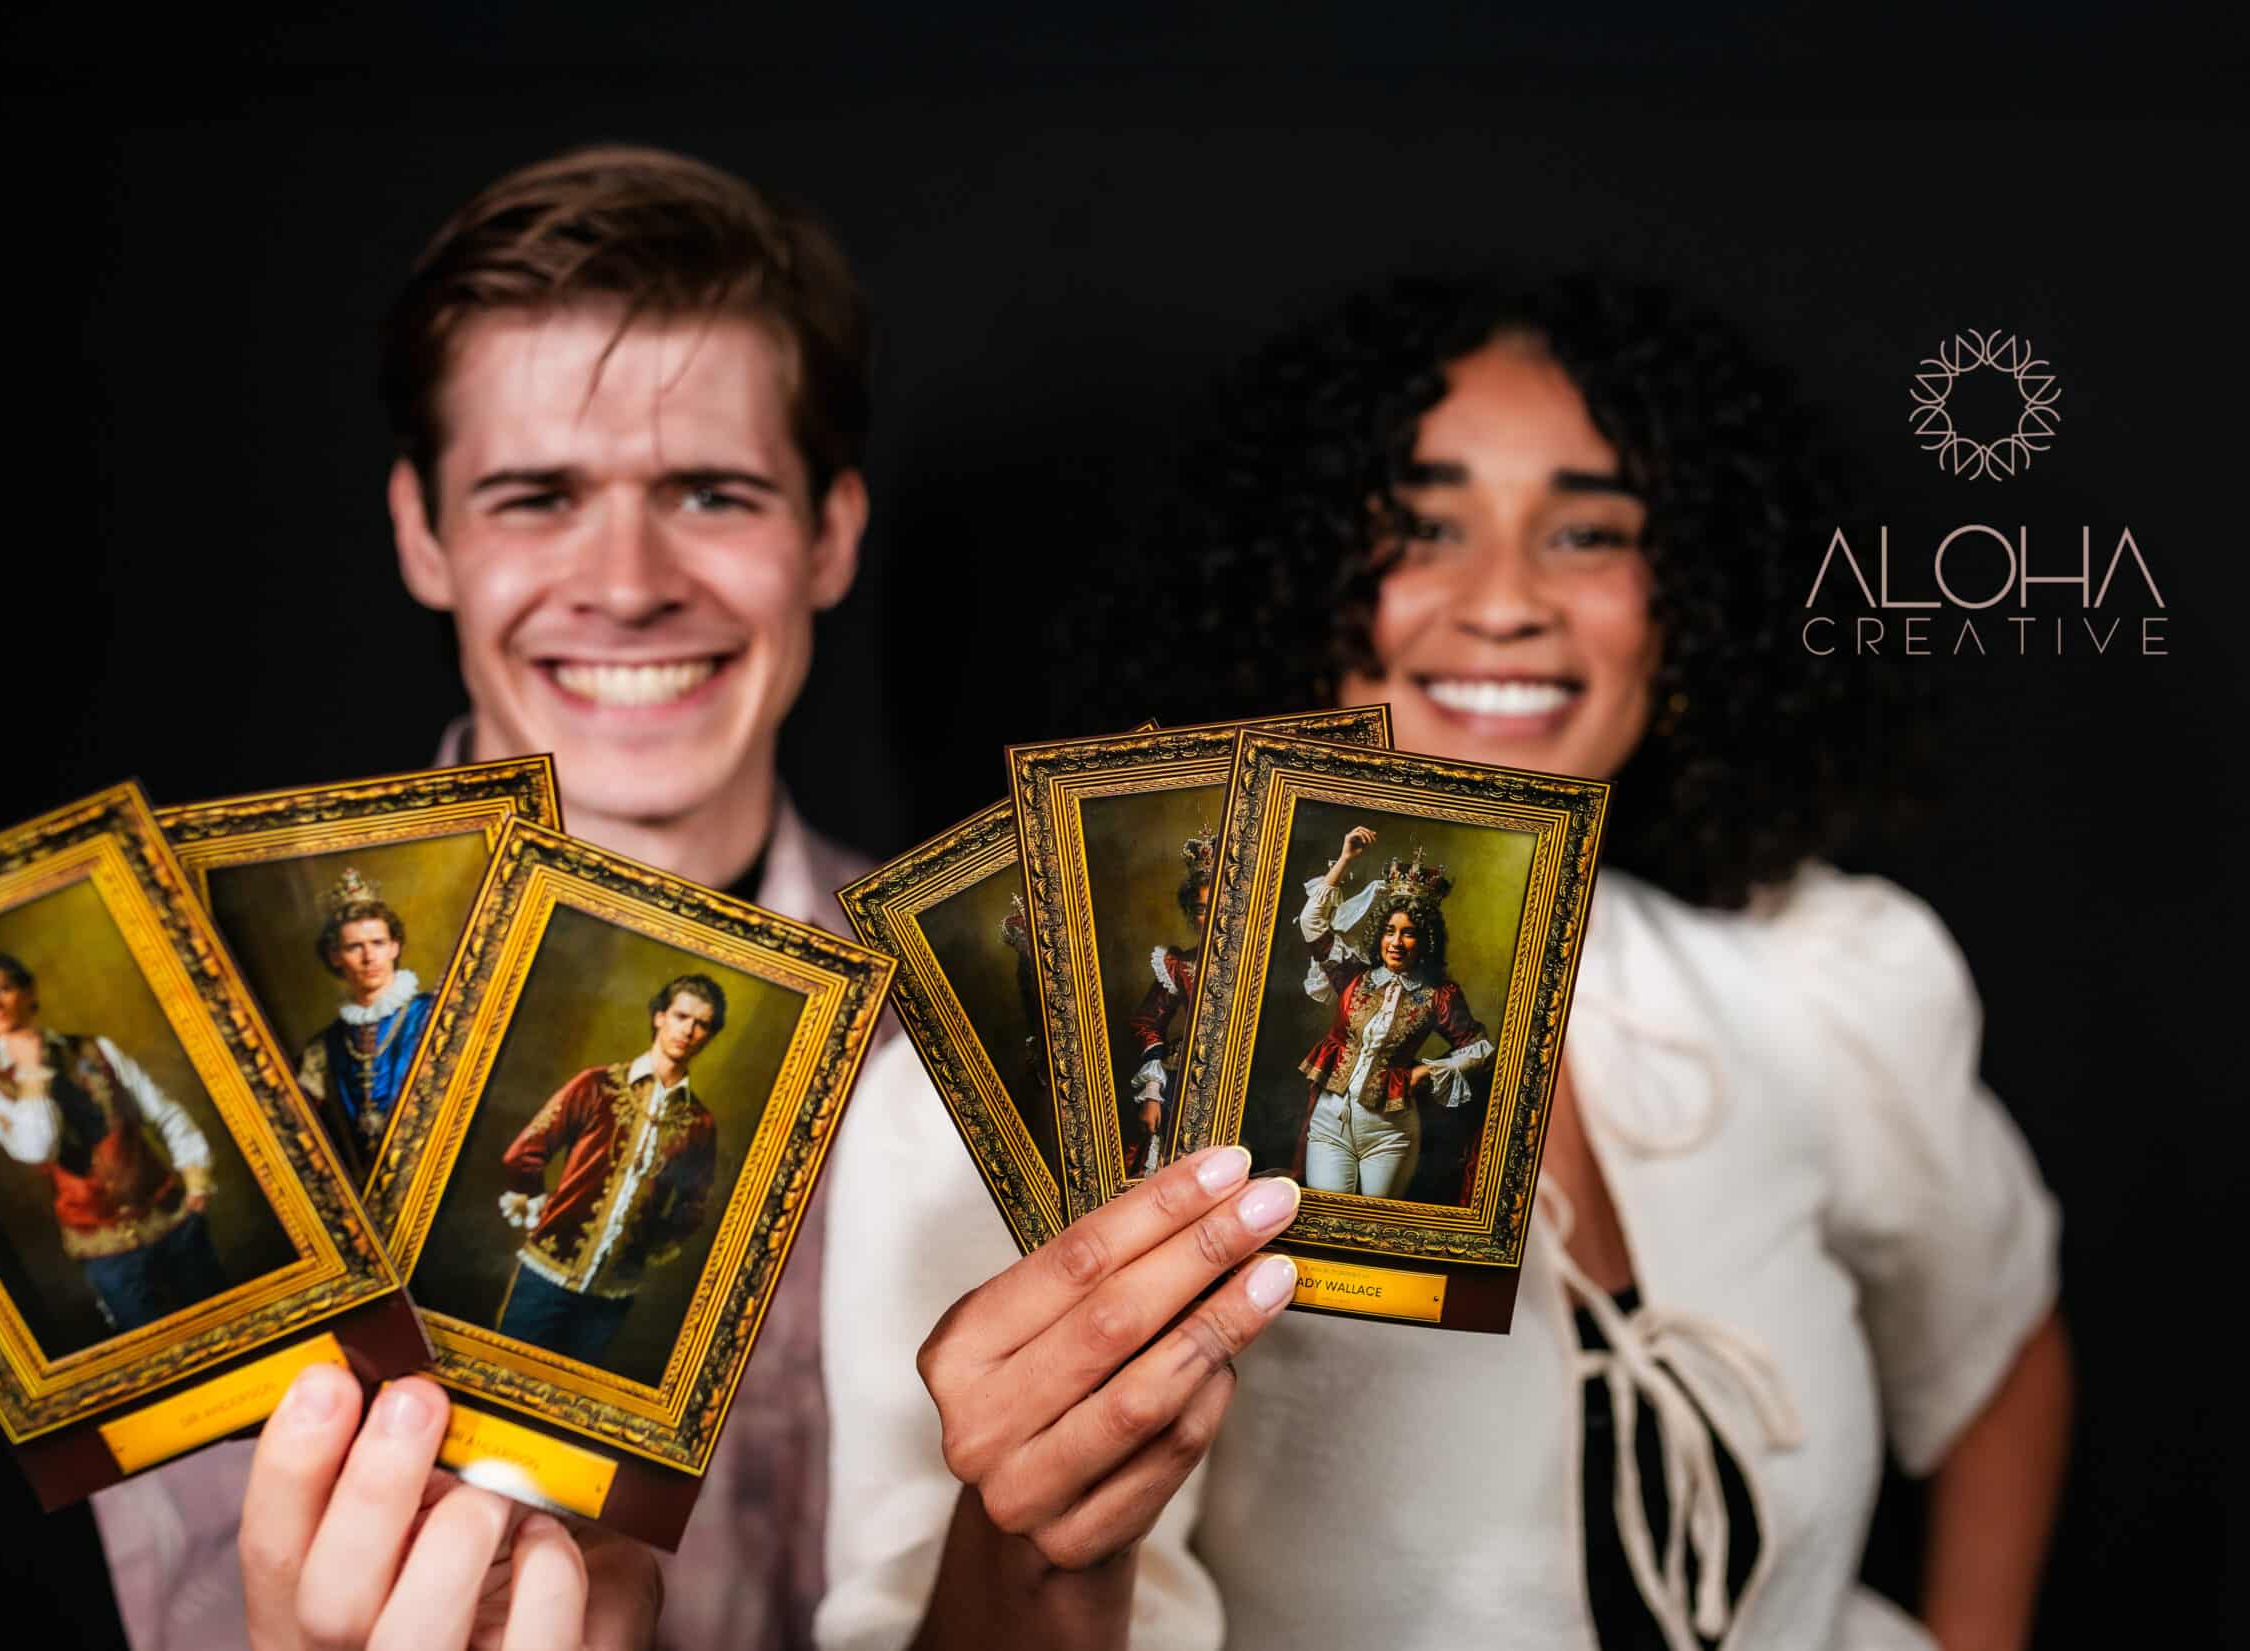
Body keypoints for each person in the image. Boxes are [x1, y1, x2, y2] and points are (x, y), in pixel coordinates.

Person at [819, 277, 2071, 1651]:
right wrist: (1034, 1543)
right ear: (1298, 579)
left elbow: (1998, 1347)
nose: (1505, 601)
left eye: (1588, 531)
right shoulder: (1042, 1075)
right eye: (1420, 528)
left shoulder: (1826, 979)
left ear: (1685, 604)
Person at [90, 143, 888, 1651]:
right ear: (421, 533)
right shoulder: (216, 1044)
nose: (628, 582)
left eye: (711, 492)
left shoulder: (986, 1037)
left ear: (830, 534)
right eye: (537, 496)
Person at [0, 950, 229, 1333]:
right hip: (105, 1251)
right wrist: (32, 1072)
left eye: (3, 989)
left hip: (174, 1223)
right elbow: (38, 1149)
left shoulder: (96, 1050)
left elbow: (165, 1113)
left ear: (28, 991)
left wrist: (197, 1185)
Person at [493, 974, 725, 1362]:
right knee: (502, 1372)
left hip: (611, 1301)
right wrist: (541, 1208)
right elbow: (522, 1154)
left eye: (701, 1024)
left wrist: (645, 1247)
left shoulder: (699, 1123)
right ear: (659, 1017)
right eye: (681, 1016)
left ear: (709, 1036)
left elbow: (693, 1206)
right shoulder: (597, 1085)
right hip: (546, 1278)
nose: (688, 1030)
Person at [1291, 830, 1493, 1199]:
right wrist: (1345, 859)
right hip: (1329, 1124)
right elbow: (1312, 922)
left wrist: (1425, 1072)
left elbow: (1477, 1048)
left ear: (1425, 940)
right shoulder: (1352, 974)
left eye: (1408, 933)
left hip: (1390, 1134)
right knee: (1328, 1217)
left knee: (1371, 1225)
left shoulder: (1438, 996)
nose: (1396, 942)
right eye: (1389, 931)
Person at [294, 868, 437, 1182]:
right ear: (335, 956)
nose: (369, 957)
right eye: (354, 946)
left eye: (378, 942)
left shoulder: (434, 1015)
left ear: (394, 947)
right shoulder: (323, 1047)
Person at [1122, 827, 1216, 1177]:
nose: (1211, 916)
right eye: (1202, 909)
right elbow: (1148, 1024)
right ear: (1192, 914)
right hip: (1187, 1078)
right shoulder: (1178, 964)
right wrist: (1152, 1091)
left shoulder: (1259, 961)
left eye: (1219, 905)